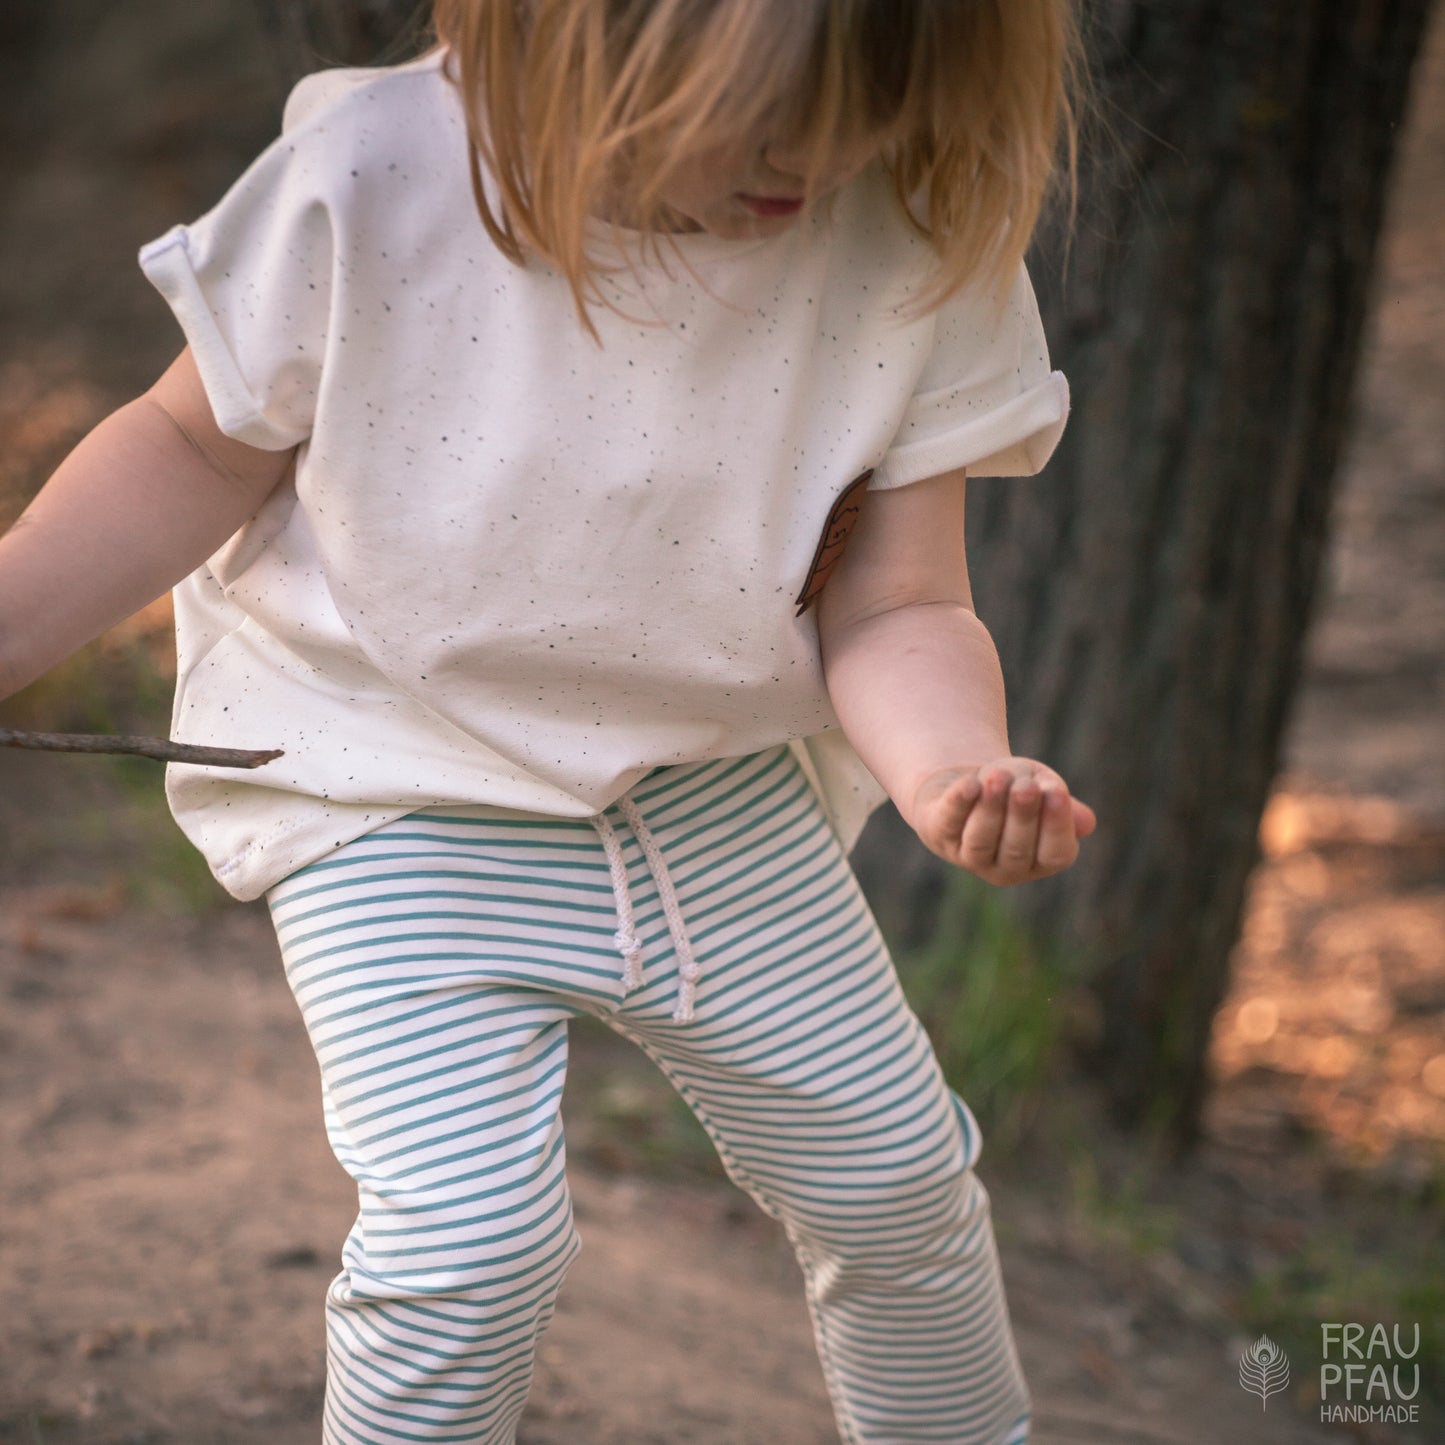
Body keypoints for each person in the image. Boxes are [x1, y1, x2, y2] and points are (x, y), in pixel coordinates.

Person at [0, 0, 1098, 1440]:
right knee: (465, 1244)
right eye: (762, 126)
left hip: (712, 796)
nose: (810, 169)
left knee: (893, 1181)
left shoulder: (910, 230)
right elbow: (186, 447)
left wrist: (952, 765)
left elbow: (897, 604)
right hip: (388, 775)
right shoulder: (377, 179)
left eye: (866, 121)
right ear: (580, 42)